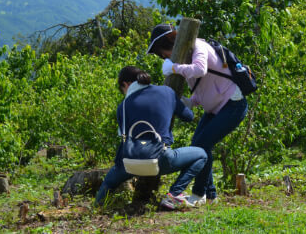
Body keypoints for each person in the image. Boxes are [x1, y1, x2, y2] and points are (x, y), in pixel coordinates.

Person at [147, 23, 248, 206]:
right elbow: (203, 87)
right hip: (216, 108)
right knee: (197, 146)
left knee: (201, 145)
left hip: (233, 104)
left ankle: (198, 194)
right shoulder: (187, 55)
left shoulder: (199, 46)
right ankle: (209, 196)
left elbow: (200, 69)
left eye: (163, 52)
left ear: (169, 44)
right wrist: (190, 101)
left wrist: (174, 68)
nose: (165, 57)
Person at [95, 66, 207, 210]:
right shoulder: (167, 92)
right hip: (161, 159)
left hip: (130, 164)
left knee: (108, 183)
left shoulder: (123, 106)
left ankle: (97, 207)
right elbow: (189, 117)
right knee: (201, 154)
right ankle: (173, 194)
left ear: (126, 84)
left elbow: (123, 138)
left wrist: (118, 166)